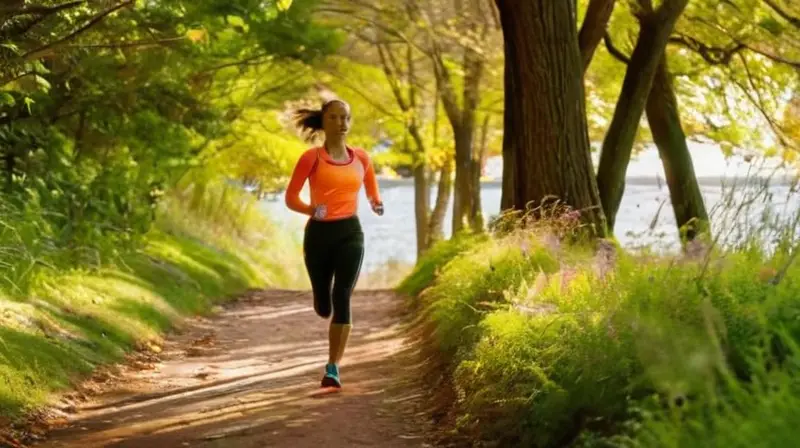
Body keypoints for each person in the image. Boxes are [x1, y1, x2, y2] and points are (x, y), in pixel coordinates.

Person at [284, 98, 384, 389]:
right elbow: (291, 197)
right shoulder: (311, 158)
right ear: (324, 122)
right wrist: (310, 209)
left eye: (346, 118)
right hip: (319, 235)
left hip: (350, 231)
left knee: (342, 295)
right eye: (335, 118)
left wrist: (376, 203)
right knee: (324, 303)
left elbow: (372, 191)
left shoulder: (362, 158)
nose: (341, 123)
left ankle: (333, 367)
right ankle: (320, 296)